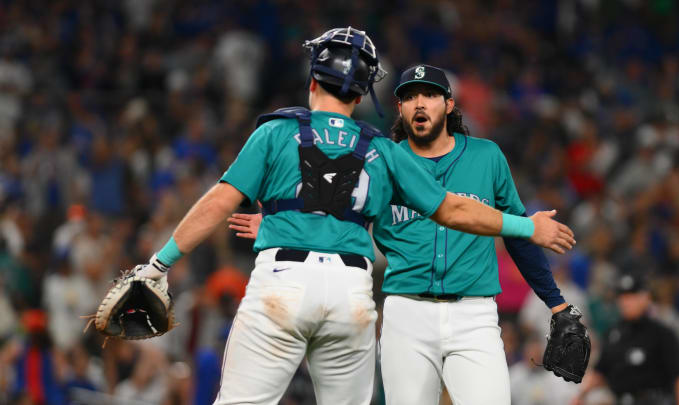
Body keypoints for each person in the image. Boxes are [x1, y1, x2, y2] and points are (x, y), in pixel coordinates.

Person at [131, 26, 575, 404]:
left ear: (312, 82)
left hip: (282, 281)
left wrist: (159, 264)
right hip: (351, 295)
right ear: (365, 93)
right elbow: (453, 210)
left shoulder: (276, 131)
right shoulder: (383, 149)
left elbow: (218, 201)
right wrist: (526, 226)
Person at [228, 64, 582, 404]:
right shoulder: (381, 159)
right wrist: (283, 227)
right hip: (406, 313)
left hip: (474, 314)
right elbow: (344, 214)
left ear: (449, 104)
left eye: (430, 95)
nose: (420, 103)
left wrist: (556, 303)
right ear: (399, 107)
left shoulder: (487, 157)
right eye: (410, 97)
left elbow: (519, 237)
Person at [572, 273, 679, 405]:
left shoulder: (662, 334)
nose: (626, 302)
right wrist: (581, 395)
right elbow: (600, 371)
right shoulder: (613, 334)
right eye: (623, 297)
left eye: (631, 297)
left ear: (645, 297)